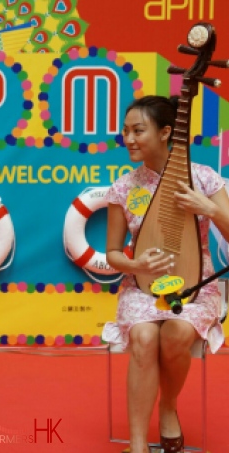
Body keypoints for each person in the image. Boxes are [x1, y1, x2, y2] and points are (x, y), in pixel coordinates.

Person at [102, 95, 229, 453]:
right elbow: (112, 253)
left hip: (195, 286)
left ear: (166, 132)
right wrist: (135, 265)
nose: (128, 138)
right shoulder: (123, 188)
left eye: (138, 130)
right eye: (125, 131)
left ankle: (168, 406)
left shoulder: (203, 177)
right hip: (141, 288)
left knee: (176, 333)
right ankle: (138, 444)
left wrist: (208, 208)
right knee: (143, 338)